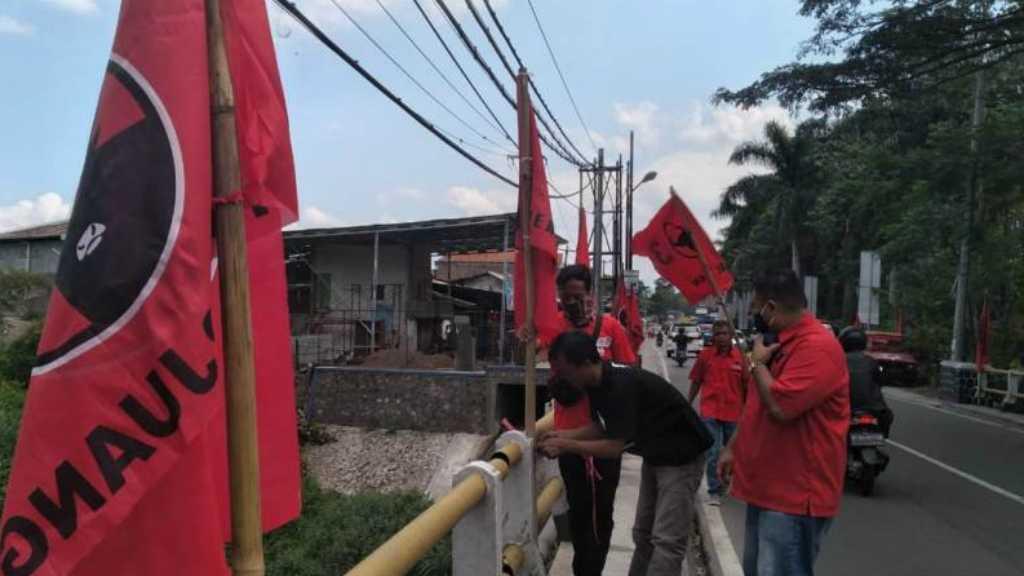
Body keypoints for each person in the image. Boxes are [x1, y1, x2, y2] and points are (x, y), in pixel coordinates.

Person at [540, 331, 712, 576]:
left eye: (566, 372)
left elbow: (613, 446)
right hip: (657, 453)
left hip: (682, 457)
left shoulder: (620, 385)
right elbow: (602, 426)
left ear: (587, 363)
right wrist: (562, 435)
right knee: (643, 533)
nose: (563, 379)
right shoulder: (597, 382)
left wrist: (567, 446)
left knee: (666, 540)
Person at [717, 269, 850, 576]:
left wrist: (755, 362)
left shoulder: (817, 347)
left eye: (756, 308)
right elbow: (757, 406)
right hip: (767, 489)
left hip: (793, 497)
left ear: (772, 308)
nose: (754, 315)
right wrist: (733, 448)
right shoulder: (778, 343)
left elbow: (779, 406)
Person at [550, 264, 636, 576]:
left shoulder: (611, 328)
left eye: (577, 296)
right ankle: (581, 568)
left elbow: (630, 376)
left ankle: (592, 569)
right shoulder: (552, 326)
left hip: (605, 436)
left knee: (602, 511)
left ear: (590, 295)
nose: (571, 303)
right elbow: (532, 358)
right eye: (565, 297)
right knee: (578, 509)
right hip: (567, 436)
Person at [687, 319, 748, 506]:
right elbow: (696, 381)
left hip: (734, 412)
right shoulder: (705, 356)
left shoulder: (741, 358)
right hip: (710, 410)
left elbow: (747, 387)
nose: (721, 338)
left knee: (735, 452)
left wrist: (748, 412)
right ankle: (714, 489)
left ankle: (727, 478)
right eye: (718, 334)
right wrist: (687, 403)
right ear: (713, 336)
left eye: (725, 334)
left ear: (731, 336)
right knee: (713, 452)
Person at [839, 326, 894, 437]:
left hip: (846, 409)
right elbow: (881, 379)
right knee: (888, 416)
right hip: (875, 409)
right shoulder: (872, 361)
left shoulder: (837, 361)